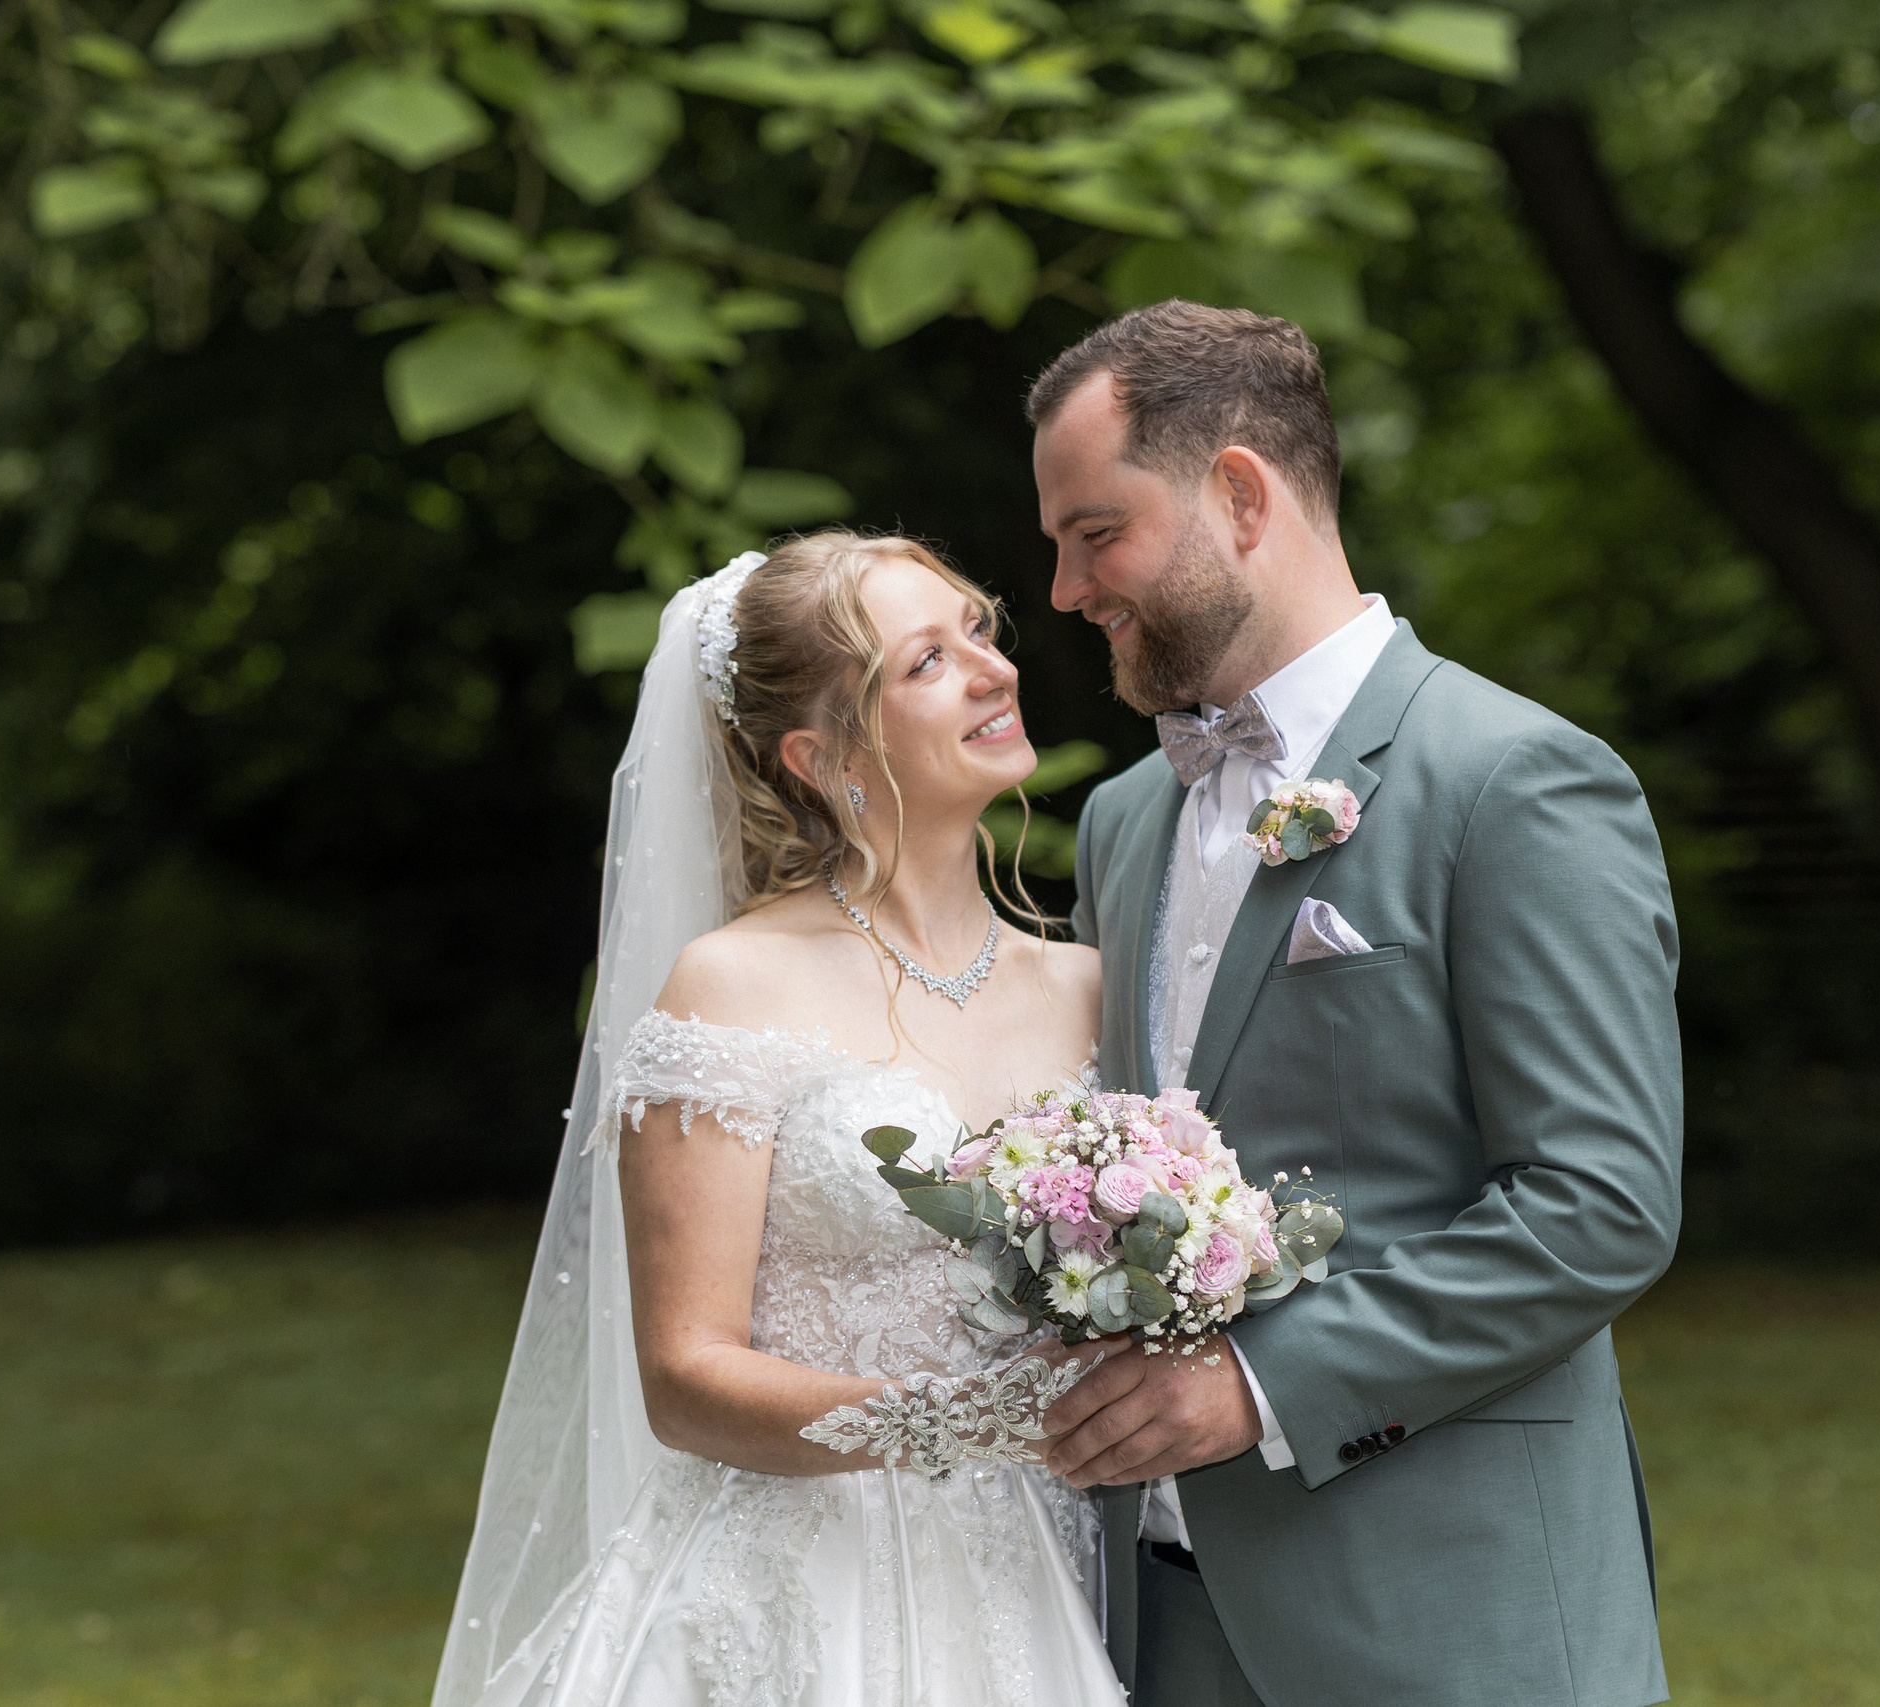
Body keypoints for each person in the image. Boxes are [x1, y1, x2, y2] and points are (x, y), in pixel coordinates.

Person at [1031, 301, 1684, 1707]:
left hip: (1445, 1608)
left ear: (1239, 492)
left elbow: (1601, 1203)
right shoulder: (1122, 820)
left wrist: (1258, 1383)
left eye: (1096, 533)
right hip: (1153, 1614)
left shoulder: (1516, 780)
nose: (1069, 589)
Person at [431, 531, 1129, 1707]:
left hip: (1048, 1573)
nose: (991, 669)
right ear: (821, 754)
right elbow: (685, 1375)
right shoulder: (731, 986)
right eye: (924, 662)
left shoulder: (1086, 987)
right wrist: (967, 1419)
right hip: (804, 1593)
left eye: (979, 631)